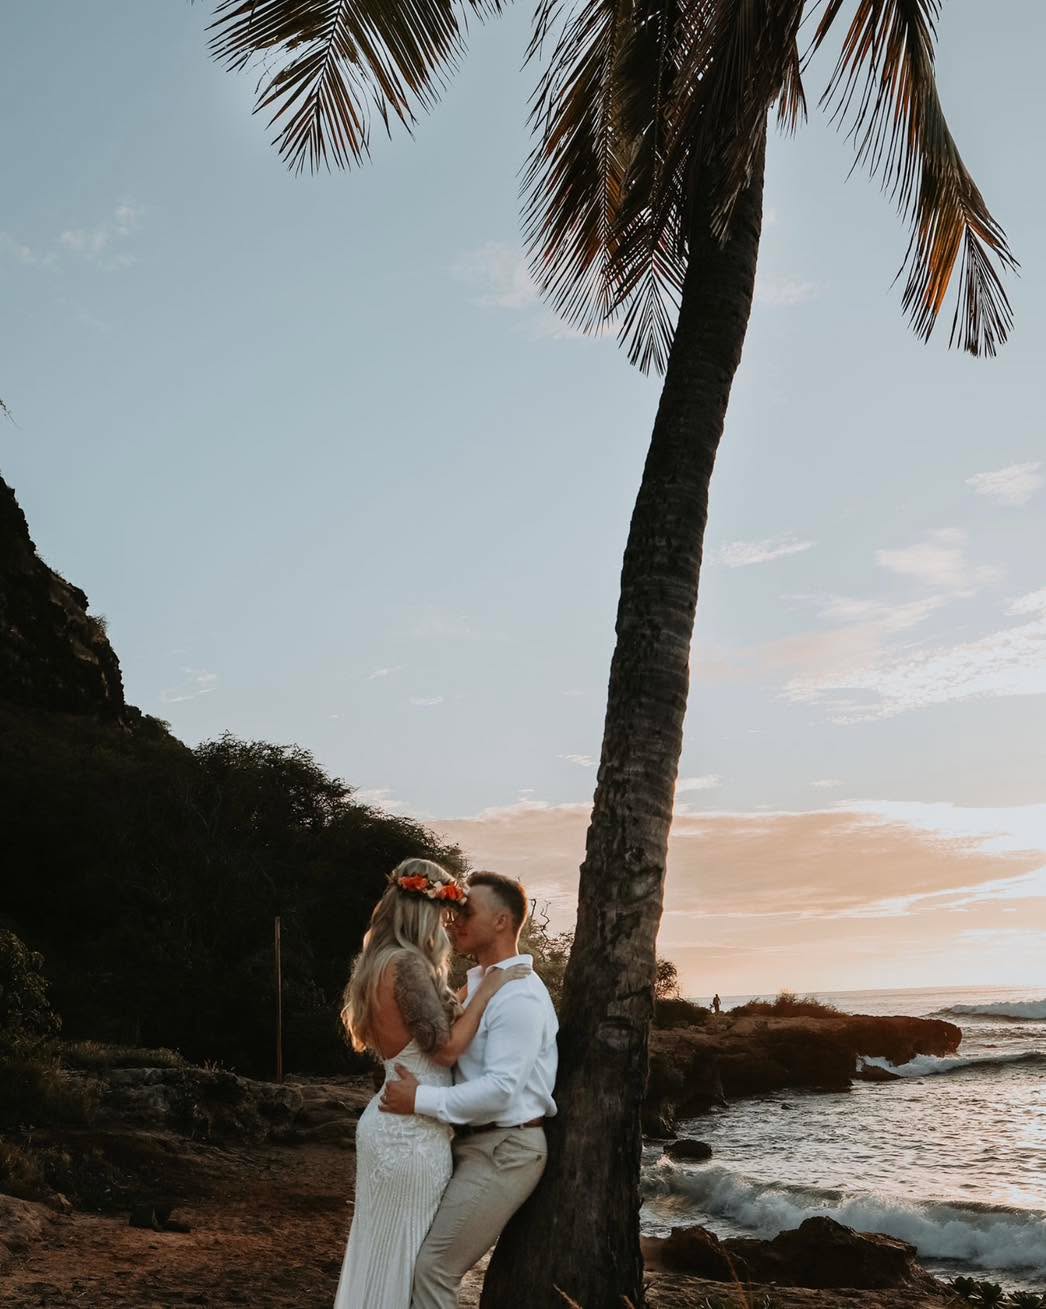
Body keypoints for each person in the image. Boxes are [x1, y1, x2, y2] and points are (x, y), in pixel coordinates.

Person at [333, 859, 530, 1309]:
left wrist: (460, 997)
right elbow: (443, 1051)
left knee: (380, 1254)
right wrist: (485, 992)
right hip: (412, 1137)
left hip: (391, 1123)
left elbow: (417, 1033)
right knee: (404, 1259)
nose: (449, 923)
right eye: (445, 912)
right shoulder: (407, 965)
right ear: (424, 909)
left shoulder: (379, 962)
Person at [380, 870, 559, 1309]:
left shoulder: (519, 997)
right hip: (473, 1144)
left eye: (467, 911)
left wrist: (418, 1100)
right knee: (409, 1257)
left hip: (505, 1150)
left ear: (501, 922)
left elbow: (500, 1090)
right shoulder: (479, 984)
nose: (454, 920)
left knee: (433, 1270)